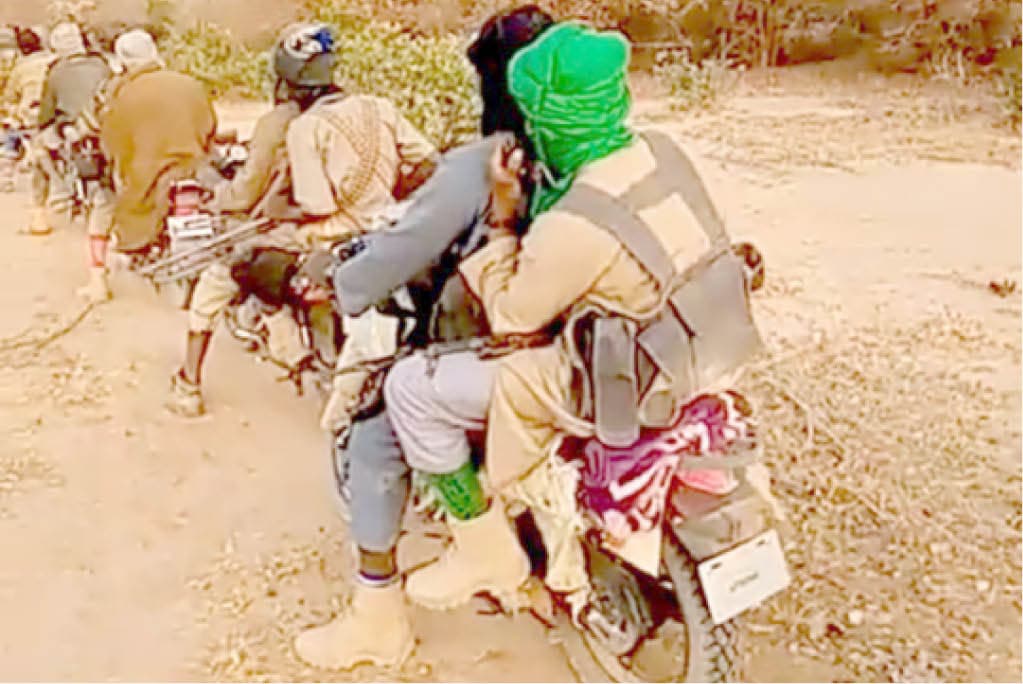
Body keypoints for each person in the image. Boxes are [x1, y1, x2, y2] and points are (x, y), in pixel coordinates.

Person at [379, 20, 764, 628]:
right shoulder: (663, 151)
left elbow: (510, 316)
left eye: (534, 117)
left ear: (549, 121)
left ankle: (483, 551)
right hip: (699, 346)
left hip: (621, 380)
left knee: (410, 389)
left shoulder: (577, 221)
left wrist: (503, 218)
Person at [291, 6, 556, 670]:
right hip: (587, 332)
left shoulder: (486, 161)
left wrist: (343, 283)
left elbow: (405, 248)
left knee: (376, 431)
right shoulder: (598, 147)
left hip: (512, 339)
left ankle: (377, 619)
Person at [166, 22, 437, 417]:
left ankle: (188, 384)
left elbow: (317, 205)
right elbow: (428, 161)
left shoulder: (304, 127)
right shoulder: (379, 106)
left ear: (286, 81)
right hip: (382, 227)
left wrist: (280, 211)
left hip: (328, 234)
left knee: (221, 272)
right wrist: (391, 190)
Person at [87, 28, 217, 300]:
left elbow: (113, 144)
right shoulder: (190, 84)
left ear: (123, 61)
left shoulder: (123, 94)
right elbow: (210, 126)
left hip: (147, 178)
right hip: (195, 169)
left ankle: (98, 279)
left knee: (107, 203)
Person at [28, 23, 115, 261]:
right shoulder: (102, 65)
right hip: (102, 127)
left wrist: (41, 125)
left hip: (71, 128)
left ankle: (40, 211)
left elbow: (46, 112)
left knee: (39, 150)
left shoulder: (55, 72)